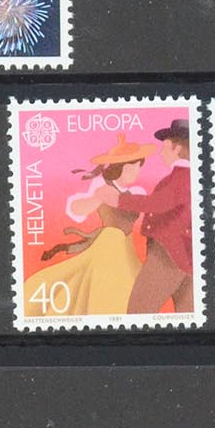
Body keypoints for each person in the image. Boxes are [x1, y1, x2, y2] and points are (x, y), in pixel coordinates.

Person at [39, 136, 150, 317]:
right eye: (134, 167)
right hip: (108, 244)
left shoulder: (137, 192)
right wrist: (97, 197)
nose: (137, 172)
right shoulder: (101, 186)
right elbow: (76, 209)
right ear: (122, 168)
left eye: (138, 167)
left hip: (128, 247)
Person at [117, 117, 196, 316]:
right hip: (186, 256)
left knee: (138, 312)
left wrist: (117, 199)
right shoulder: (189, 176)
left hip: (168, 253)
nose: (161, 152)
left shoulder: (181, 177)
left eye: (165, 146)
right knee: (188, 314)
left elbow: (157, 204)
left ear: (177, 148)